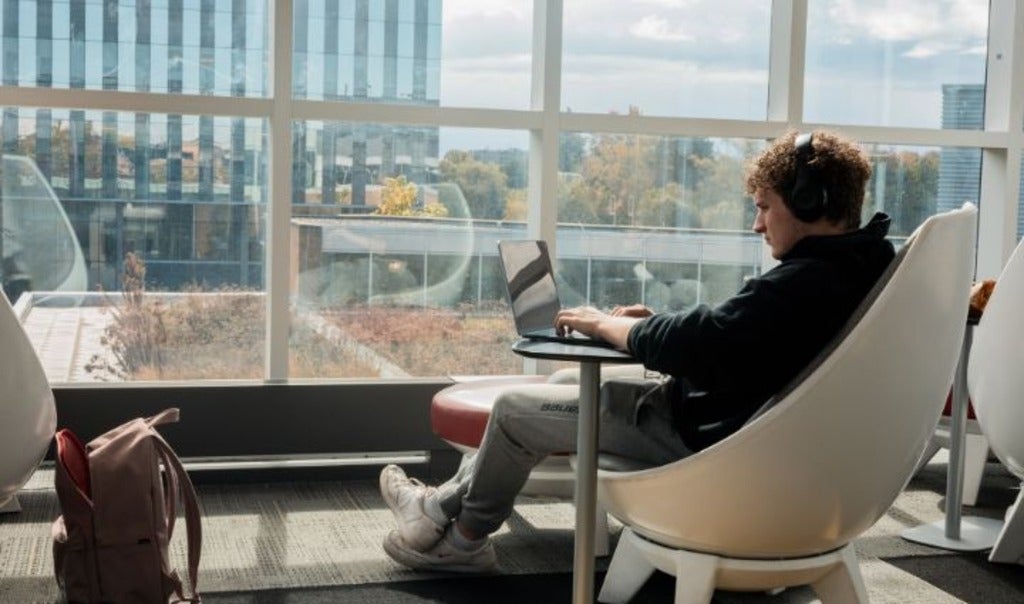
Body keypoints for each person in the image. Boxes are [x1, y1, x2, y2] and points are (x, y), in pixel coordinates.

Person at [378, 130, 896, 573]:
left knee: (514, 411)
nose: (757, 225)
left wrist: (603, 324)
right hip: (740, 430)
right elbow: (738, 334)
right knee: (563, 385)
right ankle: (435, 508)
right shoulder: (858, 265)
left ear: (808, 201)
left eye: (764, 207)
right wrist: (652, 325)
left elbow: (705, 340)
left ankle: (464, 541)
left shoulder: (809, 279)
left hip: (700, 439)